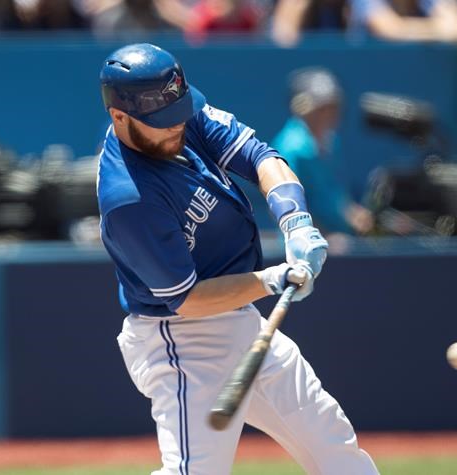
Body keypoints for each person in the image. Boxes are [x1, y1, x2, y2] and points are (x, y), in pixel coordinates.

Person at [96, 43, 379, 475]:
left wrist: (296, 222)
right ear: (120, 117)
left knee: (332, 445)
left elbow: (261, 158)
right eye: (162, 124)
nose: (176, 129)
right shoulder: (128, 198)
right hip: (180, 340)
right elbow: (187, 299)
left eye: (179, 115)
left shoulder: (178, 113)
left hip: (240, 321)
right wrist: (269, 280)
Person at [272, 67, 374, 235]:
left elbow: (334, 194)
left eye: (333, 107)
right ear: (302, 108)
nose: (329, 114)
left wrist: (353, 214)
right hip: (303, 247)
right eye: (322, 108)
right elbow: (287, 206)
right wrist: (322, 236)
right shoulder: (290, 147)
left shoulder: (331, 141)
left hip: (342, 245)